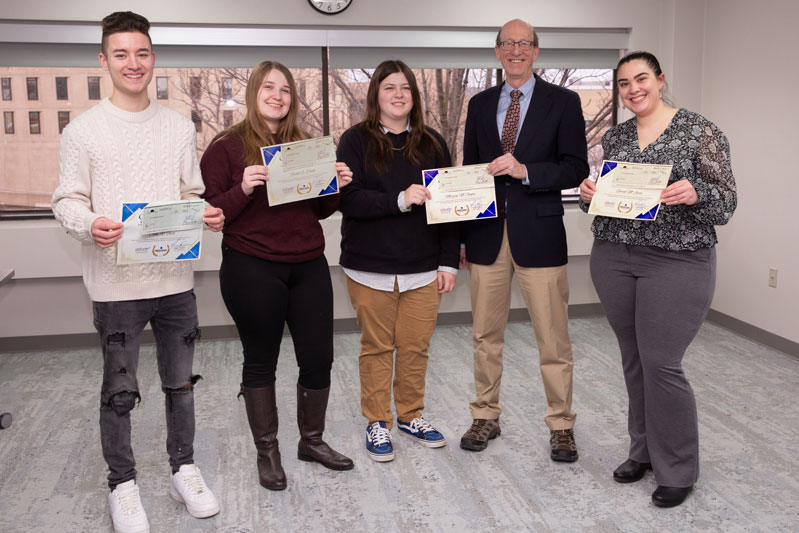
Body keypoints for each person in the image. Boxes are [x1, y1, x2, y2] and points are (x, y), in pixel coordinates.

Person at [51, 11, 222, 533]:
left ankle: (183, 469)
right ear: (104, 61)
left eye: (142, 53)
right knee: (119, 392)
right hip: (115, 286)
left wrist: (205, 211)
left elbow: (190, 193)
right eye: (121, 53)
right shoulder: (82, 131)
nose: (133, 63)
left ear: (153, 59)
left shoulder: (176, 126)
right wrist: (90, 224)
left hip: (174, 284)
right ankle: (122, 485)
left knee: (181, 385)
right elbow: (66, 200)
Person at [578, 51, 736, 508]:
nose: (633, 90)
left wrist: (696, 191)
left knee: (662, 362)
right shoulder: (617, 135)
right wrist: (590, 194)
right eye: (624, 83)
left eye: (641, 79)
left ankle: (678, 468)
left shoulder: (699, 131)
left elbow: (725, 202)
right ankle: (643, 451)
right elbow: (610, 199)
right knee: (634, 359)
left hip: (677, 260)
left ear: (660, 80)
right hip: (613, 256)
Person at [200, 61, 354, 490]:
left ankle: (312, 441)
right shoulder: (226, 147)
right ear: (253, 92)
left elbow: (320, 210)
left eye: (285, 89)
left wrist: (335, 185)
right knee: (261, 359)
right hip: (252, 265)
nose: (278, 96)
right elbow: (212, 213)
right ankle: (268, 453)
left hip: (308, 264)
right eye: (269, 87)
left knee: (319, 356)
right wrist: (243, 187)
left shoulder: (304, 145)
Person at [459, 19, 589, 461]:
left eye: (524, 43)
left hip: (541, 234)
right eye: (507, 43)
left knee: (552, 339)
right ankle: (485, 415)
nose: (515, 50)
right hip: (486, 237)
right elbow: (470, 175)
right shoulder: (478, 105)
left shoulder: (564, 102)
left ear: (535, 51)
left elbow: (576, 169)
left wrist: (526, 171)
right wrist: (461, 237)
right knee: (484, 335)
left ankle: (561, 424)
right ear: (497, 51)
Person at [336, 60, 459, 462]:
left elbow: (448, 208)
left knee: (415, 347)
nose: (399, 94)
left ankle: (410, 415)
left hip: (423, 268)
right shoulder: (354, 141)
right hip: (368, 267)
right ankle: (377, 420)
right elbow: (349, 201)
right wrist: (400, 200)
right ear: (376, 95)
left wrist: (448, 262)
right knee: (376, 347)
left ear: (414, 96)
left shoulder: (433, 143)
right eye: (389, 87)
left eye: (406, 88)